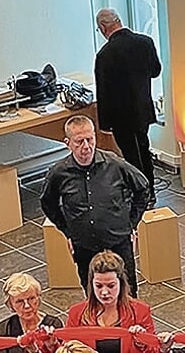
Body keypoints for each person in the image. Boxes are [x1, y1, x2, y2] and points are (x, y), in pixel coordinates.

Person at [41, 116, 150, 295]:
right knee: (92, 292)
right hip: (85, 245)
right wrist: (67, 230)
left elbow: (143, 189)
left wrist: (131, 223)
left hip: (118, 241)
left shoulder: (114, 164)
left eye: (90, 139)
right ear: (67, 143)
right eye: (79, 142)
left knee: (127, 292)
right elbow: (48, 203)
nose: (86, 146)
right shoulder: (59, 173)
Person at [93, 7, 162, 205]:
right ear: (119, 21)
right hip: (143, 109)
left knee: (131, 156)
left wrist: (104, 125)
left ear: (104, 28)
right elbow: (155, 71)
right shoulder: (145, 42)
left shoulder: (104, 55)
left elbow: (103, 92)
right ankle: (150, 190)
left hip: (120, 116)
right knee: (143, 148)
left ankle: (141, 194)